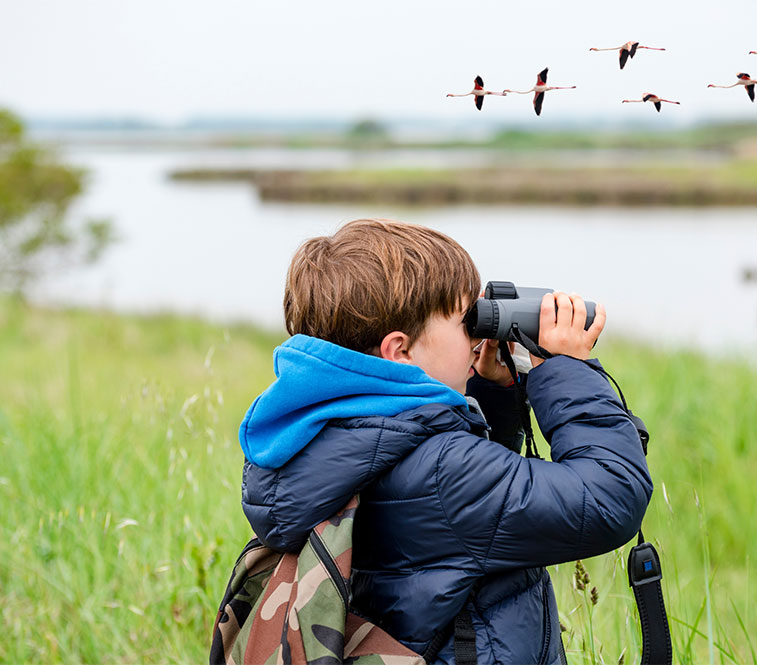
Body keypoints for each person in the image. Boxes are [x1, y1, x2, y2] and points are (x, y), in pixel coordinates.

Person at [239, 218, 652, 664]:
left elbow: (449, 516)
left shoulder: (324, 436)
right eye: (465, 323)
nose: (478, 335)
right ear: (400, 351)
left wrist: (495, 393)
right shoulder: (445, 471)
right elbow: (612, 494)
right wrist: (566, 369)